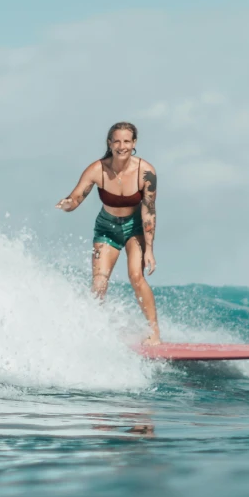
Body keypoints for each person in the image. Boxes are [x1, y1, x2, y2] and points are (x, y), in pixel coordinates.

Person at [56, 122, 161, 345]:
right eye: (117, 141)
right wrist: (67, 204)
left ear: (134, 144)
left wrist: (149, 249)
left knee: (136, 276)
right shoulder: (97, 170)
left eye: (126, 141)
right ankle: (95, 333)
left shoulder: (146, 172)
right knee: (99, 283)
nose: (121, 146)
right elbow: (75, 197)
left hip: (135, 228)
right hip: (107, 228)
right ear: (109, 143)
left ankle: (154, 333)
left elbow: (149, 211)